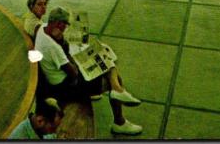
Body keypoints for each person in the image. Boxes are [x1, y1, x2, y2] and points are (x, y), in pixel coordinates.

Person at [34, 7, 142, 136]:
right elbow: (73, 73)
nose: (65, 29)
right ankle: (119, 121)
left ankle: (117, 90)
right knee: (112, 72)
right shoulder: (52, 47)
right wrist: (72, 55)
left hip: (60, 79)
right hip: (66, 87)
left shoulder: (43, 29)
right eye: (64, 26)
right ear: (58, 24)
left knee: (104, 55)